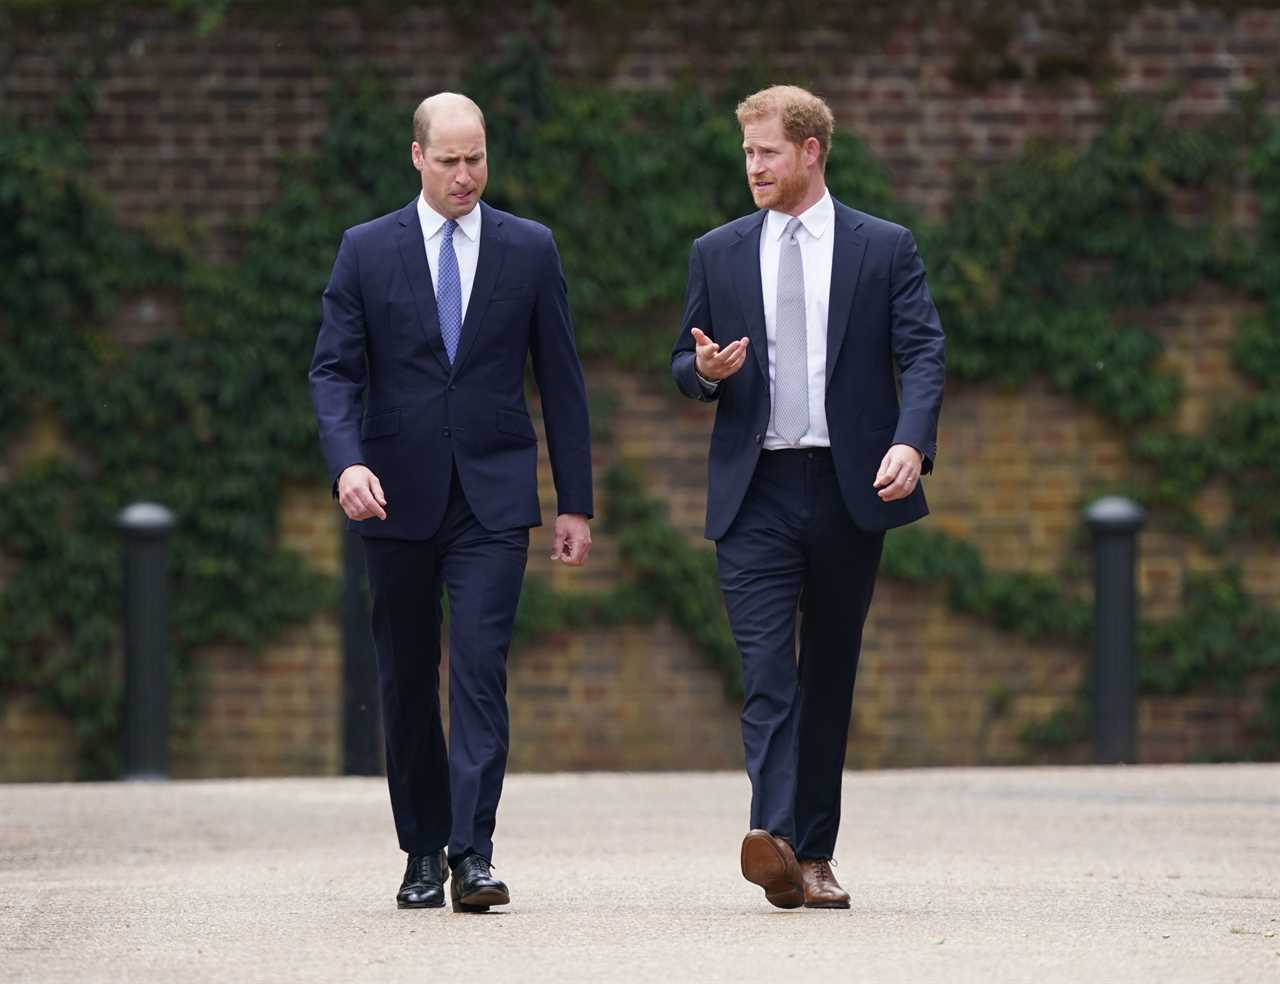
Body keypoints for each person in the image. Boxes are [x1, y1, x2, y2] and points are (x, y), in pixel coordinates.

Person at [310, 92, 593, 912]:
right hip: (391, 496)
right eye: (449, 161)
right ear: (416, 156)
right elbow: (333, 371)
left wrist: (574, 501)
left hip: (494, 498)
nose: (465, 176)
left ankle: (474, 854)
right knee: (403, 675)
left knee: (478, 669)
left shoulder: (529, 249)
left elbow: (564, 383)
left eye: (477, 160)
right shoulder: (366, 250)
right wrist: (345, 465)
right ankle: (421, 852)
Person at [671, 85, 945, 909]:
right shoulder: (716, 251)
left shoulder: (883, 246)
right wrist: (706, 373)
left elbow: (924, 352)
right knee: (765, 672)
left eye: (767, 152)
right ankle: (777, 839)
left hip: (845, 484)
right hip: (753, 489)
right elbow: (683, 366)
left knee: (827, 673)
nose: (752, 166)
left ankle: (813, 854)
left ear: (811, 151)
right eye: (747, 152)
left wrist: (910, 440)